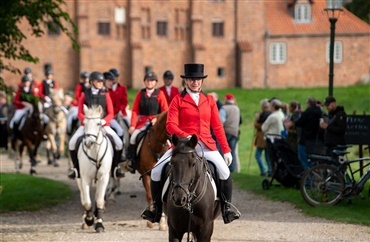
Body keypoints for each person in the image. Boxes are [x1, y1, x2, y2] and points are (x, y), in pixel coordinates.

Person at [141, 63, 240, 224]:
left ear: (202, 81)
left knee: (225, 172)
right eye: (192, 79)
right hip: (183, 146)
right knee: (156, 172)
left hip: (206, 146)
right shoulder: (177, 100)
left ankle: (227, 208)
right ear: (186, 81)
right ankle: (157, 210)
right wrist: (184, 136)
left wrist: (226, 150)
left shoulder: (209, 101)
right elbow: (170, 125)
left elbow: (217, 126)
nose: (195, 82)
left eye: (198, 79)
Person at [67, 71, 125, 179]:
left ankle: (116, 167)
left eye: (101, 81)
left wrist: (103, 121)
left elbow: (111, 112)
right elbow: (80, 112)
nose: (100, 83)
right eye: (98, 81)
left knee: (119, 143)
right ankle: (76, 169)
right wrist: (87, 120)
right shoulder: (84, 94)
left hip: (103, 124)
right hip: (87, 125)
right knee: (71, 143)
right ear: (91, 82)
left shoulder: (106, 94)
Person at [126, 71, 168, 173]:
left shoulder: (160, 94)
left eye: (152, 81)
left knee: (168, 141)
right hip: (143, 122)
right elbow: (135, 110)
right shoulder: (140, 94)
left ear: (155, 82)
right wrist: (132, 125)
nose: (149, 83)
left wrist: (157, 118)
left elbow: (165, 110)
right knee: (133, 138)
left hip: (156, 123)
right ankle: (132, 161)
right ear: (145, 82)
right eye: (148, 81)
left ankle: (169, 162)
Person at [103, 71, 127, 161]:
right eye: (109, 80)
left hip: (112, 117)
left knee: (122, 130)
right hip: (101, 119)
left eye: (112, 80)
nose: (112, 82)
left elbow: (121, 103)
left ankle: (121, 154)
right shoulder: (105, 92)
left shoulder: (112, 91)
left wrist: (119, 111)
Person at [294, 97, 322, 171]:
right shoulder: (319, 112)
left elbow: (298, 123)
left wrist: (296, 113)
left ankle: (307, 178)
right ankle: (313, 176)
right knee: (311, 160)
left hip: (304, 140)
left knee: (302, 159)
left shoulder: (307, 112)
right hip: (314, 139)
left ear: (308, 104)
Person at [222, 93, 241, 172]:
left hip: (226, 132)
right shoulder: (237, 108)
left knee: (224, 150)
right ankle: (231, 168)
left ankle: (225, 167)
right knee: (232, 151)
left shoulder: (224, 108)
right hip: (235, 132)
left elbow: (221, 121)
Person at [254, 98, 272, 176]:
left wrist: (256, 118)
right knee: (267, 156)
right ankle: (270, 171)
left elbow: (258, 125)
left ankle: (263, 170)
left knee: (258, 154)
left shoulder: (264, 114)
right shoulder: (271, 114)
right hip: (268, 137)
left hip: (262, 138)